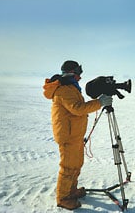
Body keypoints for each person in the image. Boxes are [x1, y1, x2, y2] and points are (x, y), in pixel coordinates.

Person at [43, 60, 112, 210]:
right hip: (67, 136)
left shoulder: (71, 87)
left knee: (76, 165)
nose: (80, 77)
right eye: (78, 73)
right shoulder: (64, 90)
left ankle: (71, 191)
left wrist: (98, 102)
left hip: (74, 134)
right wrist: (99, 103)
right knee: (68, 167)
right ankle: (63, 198)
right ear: (71, 73)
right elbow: (78, 109)